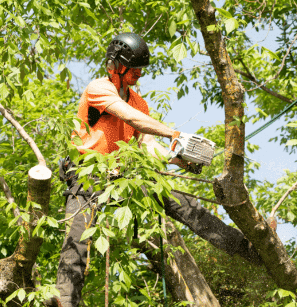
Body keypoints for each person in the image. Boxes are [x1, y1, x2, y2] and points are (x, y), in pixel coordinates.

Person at [55, 33, 261, 307]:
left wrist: (178, 158)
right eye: (134, 68)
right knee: (78, 235)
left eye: (142, 69)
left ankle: (250, 250)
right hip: (87, 174)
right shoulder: (98, 89)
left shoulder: (140, 103)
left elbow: (148, 146)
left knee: (186, 204)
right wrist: (173, 133)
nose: (139, 74)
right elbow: (128, 117)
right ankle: (66, 301)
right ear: (115, 66)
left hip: (119, 180)